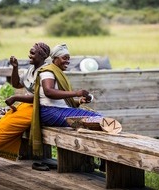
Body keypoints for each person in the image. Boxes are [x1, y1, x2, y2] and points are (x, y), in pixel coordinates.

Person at [30, 43, 115, 171]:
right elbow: (49, 92)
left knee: (96, 121)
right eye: (65, 58)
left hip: (56, 111)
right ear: (56, 58)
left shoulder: (56, 71)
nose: (67, 61)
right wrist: (76, 92)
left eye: (69, 58)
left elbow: (60, 101)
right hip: (49, 112)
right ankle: (104, 162)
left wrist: (78, 101)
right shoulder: (48, 71)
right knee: (99, 120)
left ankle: (100, 161)